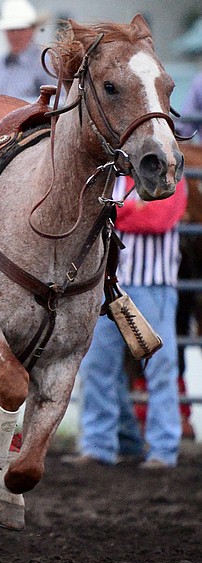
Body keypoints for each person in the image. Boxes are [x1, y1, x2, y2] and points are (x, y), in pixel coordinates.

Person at [68, 175, 187, 469]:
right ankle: (102, 444)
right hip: (108, 286)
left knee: (160, 367)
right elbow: (88, 214)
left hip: (152, 285)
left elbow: (159, 218)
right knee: (96, 364)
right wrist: (133, 210)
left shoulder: (170, 176)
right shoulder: (111, 176)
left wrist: (114, 213)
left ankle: (162, 449)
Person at [0, 0, 51, 101]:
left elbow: (58, 103)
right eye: (11, 29)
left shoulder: (45, 63)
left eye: (21, 29)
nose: (15, 34)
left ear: (33, 29)